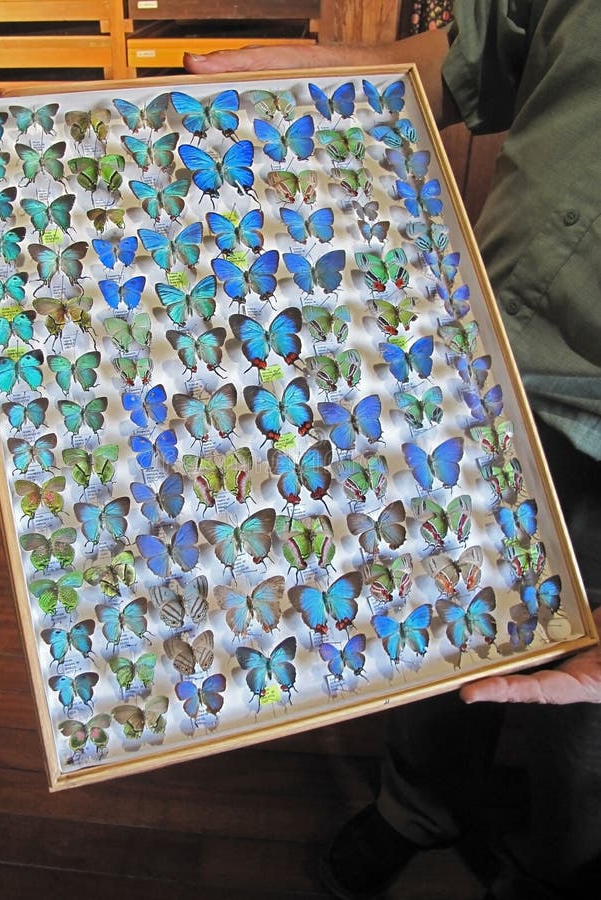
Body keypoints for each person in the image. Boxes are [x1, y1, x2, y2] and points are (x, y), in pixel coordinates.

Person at [184, 1, 601, 897]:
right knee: (418, 616)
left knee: (585, 739)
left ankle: (559, 867)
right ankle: (418, 808)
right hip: (467, 367)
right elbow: (471, 53)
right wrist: (325, 75)